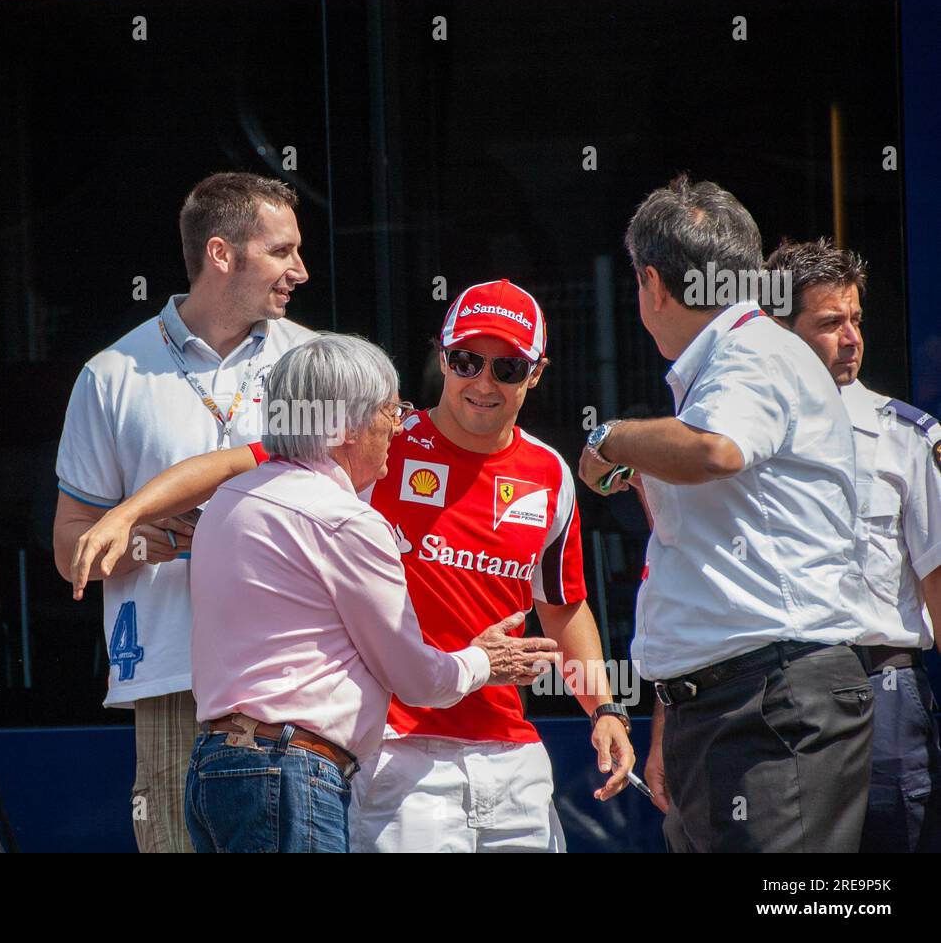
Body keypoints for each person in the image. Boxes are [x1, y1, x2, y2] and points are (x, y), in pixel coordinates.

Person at [72, 280, 636, 853]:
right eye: (467, 360)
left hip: (511, 751)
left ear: (536, 372)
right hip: (396, 750)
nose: (483, 382)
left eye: (507, 368)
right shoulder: (377, 439)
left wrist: (605, 708)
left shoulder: (549, 471)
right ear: (443, 357)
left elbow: (563, 608)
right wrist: (128, 513)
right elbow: (229, 464)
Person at [580, 176, 873, 852]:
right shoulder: (732, 362)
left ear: (652, 283)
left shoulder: (749, 354)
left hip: (771, 703)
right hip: (734, 707)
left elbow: (716, 450)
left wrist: (612, 439)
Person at [186, 334, 535, 851]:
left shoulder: (230, 500)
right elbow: (415, 679)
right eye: (390, 411)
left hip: (215, 770)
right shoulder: (344, 519)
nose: (399, 426)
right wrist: (483, 661)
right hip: (289, 771)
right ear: (343, 427)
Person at [52, 172, 315, 853]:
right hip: (174, 676)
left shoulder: (316, 363)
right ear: (222, 253)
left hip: (297, 670)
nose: (301, 271)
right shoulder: (112, 375)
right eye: (282, 252)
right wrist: (147, 544)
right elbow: (70, 546)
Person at [765, 238, 941, 852]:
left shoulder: (907, 438)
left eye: (856, 320)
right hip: (781, 694)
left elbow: (937, 583)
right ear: (780, 332)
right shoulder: (743, 444)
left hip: (885, 691)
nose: (852, 338)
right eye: (830, 323)